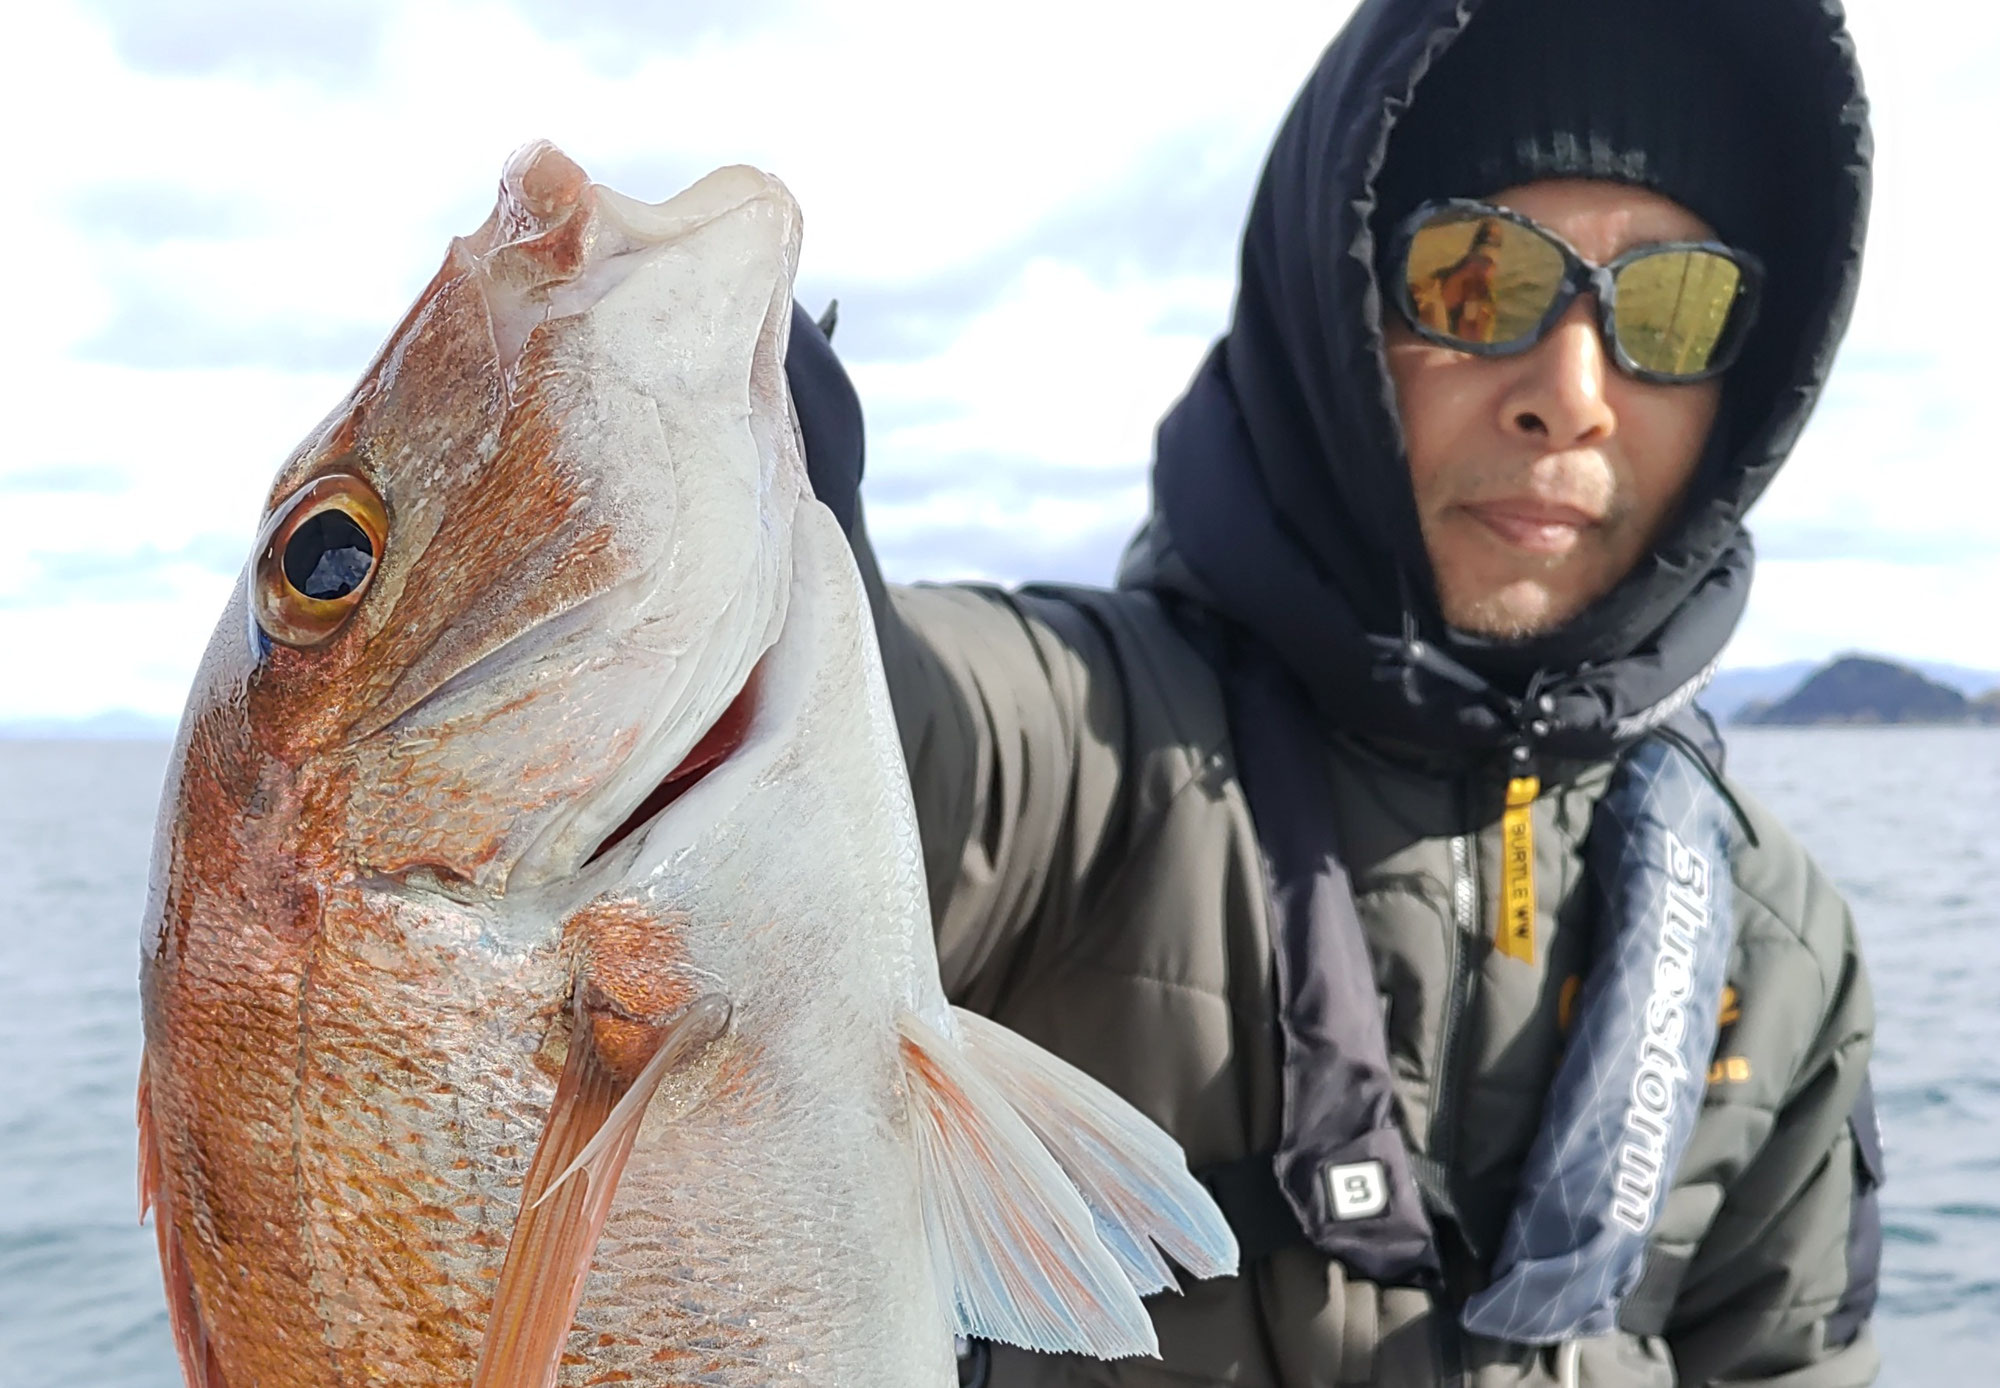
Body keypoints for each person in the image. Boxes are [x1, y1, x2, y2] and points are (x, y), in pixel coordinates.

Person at [785, 0, 1881, 1382]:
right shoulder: (1092, 744)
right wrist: (768, 572)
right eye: (1477, 277)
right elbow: (887, 746)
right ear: (1338, 302)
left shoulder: (1783, 954)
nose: (1572, 391)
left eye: (1678, 305)